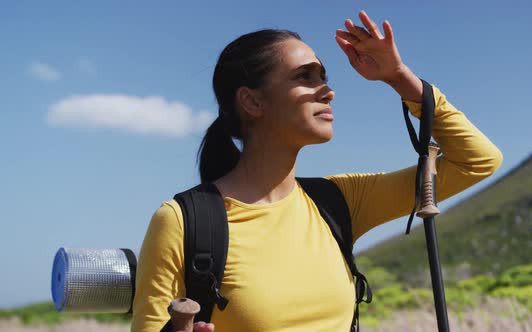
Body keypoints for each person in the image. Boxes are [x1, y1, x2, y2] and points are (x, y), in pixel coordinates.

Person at [131, 10, 503, 332]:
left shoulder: (339, 202)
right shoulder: (182, 222)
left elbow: (478, 161)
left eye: (324, 77)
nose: (327, 91)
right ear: (252, 100)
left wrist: (399, 77)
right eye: (305, 77)